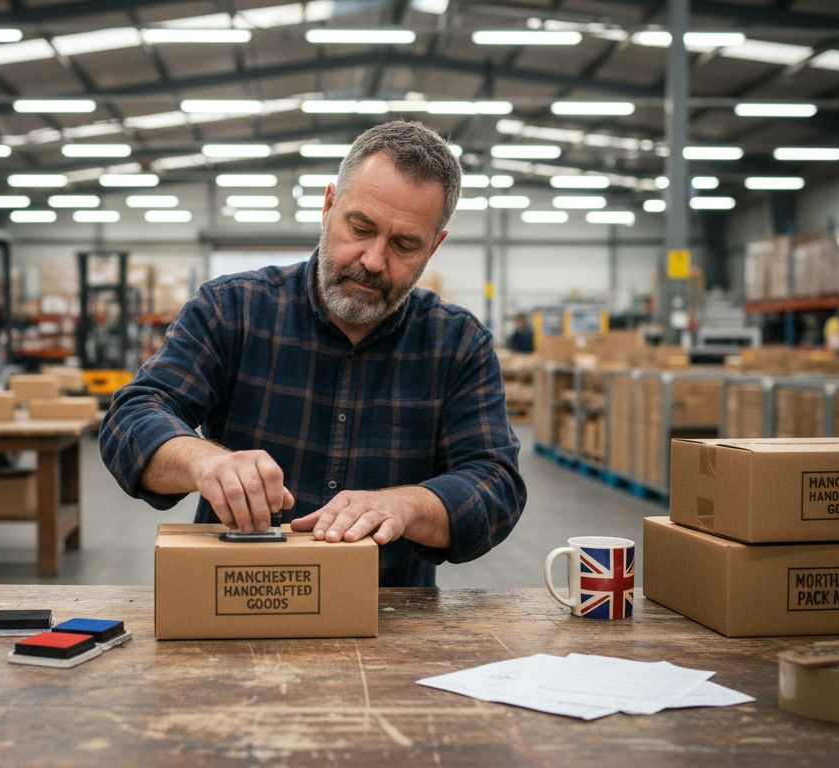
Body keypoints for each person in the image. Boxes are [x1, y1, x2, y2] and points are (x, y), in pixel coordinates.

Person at [99, 120, 527, 587]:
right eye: (360, 227)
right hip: (233, 604)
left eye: (405, 245)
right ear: (328, 207)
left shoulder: (458, 344)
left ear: (434, 247)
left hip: (388, 621)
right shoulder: (232, 309)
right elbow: (133, 416)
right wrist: (204, 462)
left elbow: (495, 482)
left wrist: (407, 504)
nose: (373, 260)